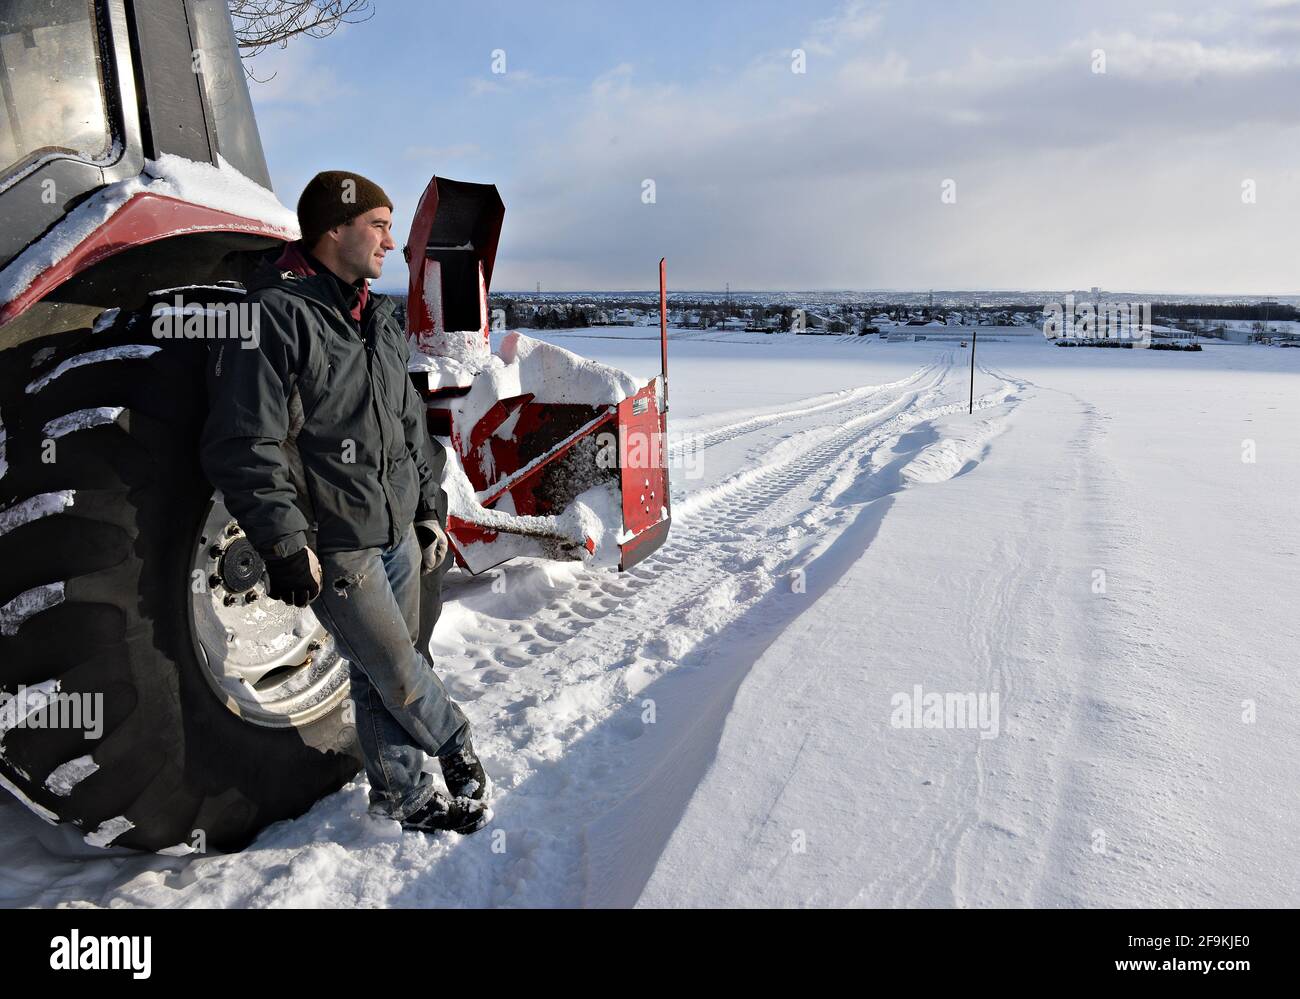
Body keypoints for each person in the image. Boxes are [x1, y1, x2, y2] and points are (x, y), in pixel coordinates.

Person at [200, 170, 491, 835]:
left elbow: (410, 426)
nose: (393, 242)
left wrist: (428, 509)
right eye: (379, 225)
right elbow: (246, 441)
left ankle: (400, 794)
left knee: (371, 673)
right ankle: (457, 748)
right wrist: (283, 541)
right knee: (398, 670)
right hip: (336, 543)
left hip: (395, 528)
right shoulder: (271, 313)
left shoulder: (377, 317)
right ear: (334, 229)